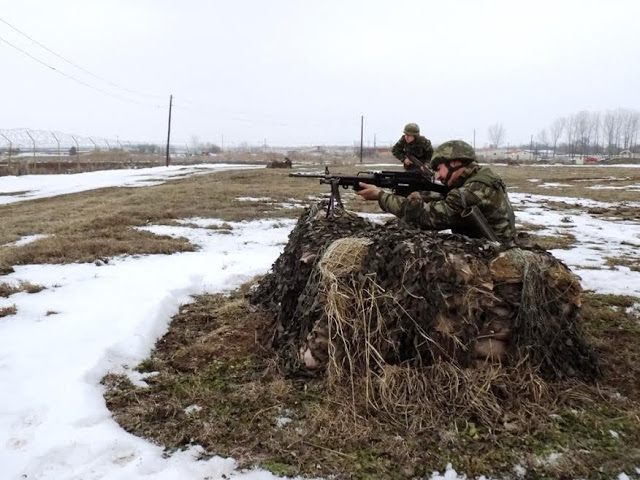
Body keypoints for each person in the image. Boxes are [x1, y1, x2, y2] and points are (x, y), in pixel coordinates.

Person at [357, 140, 517, 243]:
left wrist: (380, 196)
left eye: (439, 169)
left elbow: (427, 218)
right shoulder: (481, 177)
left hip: (494, 256)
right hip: (498, 245)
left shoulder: (472, 191)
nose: (438, 175)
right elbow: (451, 200)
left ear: (455, 163)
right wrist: (423, 195)